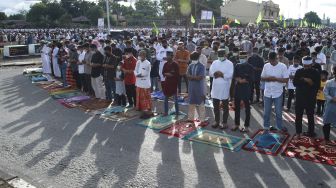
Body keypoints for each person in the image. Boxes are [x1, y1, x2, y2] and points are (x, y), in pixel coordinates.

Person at [261, 52, 289, 132]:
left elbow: (286, 79)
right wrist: (268, 78)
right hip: (267, 92)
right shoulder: (266, 65)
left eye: (273, 61)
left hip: (278, 93)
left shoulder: (282, 66)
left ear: (277, 59)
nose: (271, 63)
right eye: (270, 61)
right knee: (266, 112)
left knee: (278, 112)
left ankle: (279, 127)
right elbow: (262, 78)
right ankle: (266, 127)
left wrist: (276, 79)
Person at [293, 56, 321, 138]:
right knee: (298, 116)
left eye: (308, 66)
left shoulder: (316, 72)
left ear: (311, 64)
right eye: (305, 66)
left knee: (310, 116)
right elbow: (295, 83)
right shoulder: (299, 71)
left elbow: (318, 86)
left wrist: (311, 82)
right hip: (299, 98)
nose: (306, 68)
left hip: (310, 98)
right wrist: (305, 80)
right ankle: (298, 133)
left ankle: (311, 133)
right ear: (303, 64)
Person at [209, 49, 234, 129]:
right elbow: (210, 73)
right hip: (216, 87)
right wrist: (216, 74)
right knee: (215, 105)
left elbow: (230, 75)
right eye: (219, 56)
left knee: (225, 106)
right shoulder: (215, 62)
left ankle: (224, 122)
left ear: (225, 55)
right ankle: (216, 121)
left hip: (225, 87)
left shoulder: (230, 63)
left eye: (222, 56)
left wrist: (221, 74)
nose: (220, 57)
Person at [231, 51, 254, 132]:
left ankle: (246, 126)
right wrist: (239, 80)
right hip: (238, 88)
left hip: (246, 89)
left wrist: (243, 80)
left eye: (243, 58)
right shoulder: (237, 65)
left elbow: (250, 78)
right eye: (240, 58)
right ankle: (236, 124)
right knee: (236, 107)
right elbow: (234, 76)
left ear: (246, 58)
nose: (241, 60)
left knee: (247, 108)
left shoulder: (250, 67)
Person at [187, 52, 206, 122]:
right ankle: (190, 118)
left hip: (199, 87)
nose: (193, 60)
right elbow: (187, 75)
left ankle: (202, 119)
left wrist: (191, 77)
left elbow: (200, 77)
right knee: (191, 103)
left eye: (194, 58)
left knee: (201, 103)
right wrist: (194, 77)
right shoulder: (190, 65)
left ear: (198, 58)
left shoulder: (202, 66)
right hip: (191, 87)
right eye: (192, 59)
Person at [162, 49, 179, 116]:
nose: (166, 57)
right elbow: (163, 73)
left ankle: (177, 112)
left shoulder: (175, 64)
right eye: (166, 56)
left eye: (168, 56)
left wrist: (168, 74)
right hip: (167, 83)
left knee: (175, 99)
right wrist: (168, 74)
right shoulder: (165, 64)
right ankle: (165, 112)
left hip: (174, 83)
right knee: (165, 98)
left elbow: (176, 74)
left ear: (171, 57)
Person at [322, 66, 336, 146]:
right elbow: (325, 93)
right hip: (330, 106)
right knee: (326, 122)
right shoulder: (329, 82)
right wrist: (332, 98)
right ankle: (326, 139)